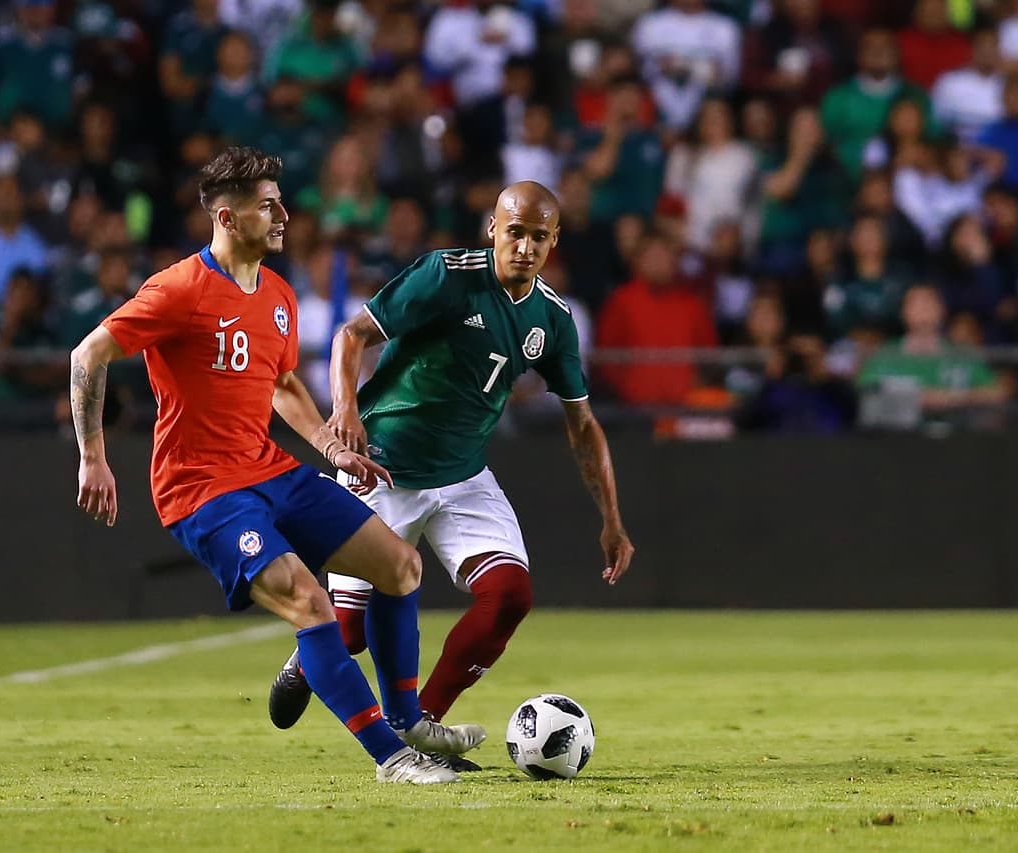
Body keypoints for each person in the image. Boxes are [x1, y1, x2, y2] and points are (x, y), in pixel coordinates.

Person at [68, 147, 484, 784]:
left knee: (400, 567)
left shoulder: (281, 295)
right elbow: (87, 355)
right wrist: (93, 457)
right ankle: (391, 758)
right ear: (229, 219)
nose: (285, 214)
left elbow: (283, 385)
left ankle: (409, 721)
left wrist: (334, 448)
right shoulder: (179, 290)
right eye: (269, 206)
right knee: (309, 601)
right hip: (202, 488)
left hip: (270, 470)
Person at [267, 182, 635, 767]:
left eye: (539, 237)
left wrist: (612, 519)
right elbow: (351, 336)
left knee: (511, 595)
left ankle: (423, 726)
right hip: (383, 468)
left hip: (464, 476)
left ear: (554, 242)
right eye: (515, 232)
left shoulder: (553, 320)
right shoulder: (447, 274)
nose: (525, 246)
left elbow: (584, 425)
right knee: (350, 635)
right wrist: (344, 409)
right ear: (492, 228)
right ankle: (309, 653)